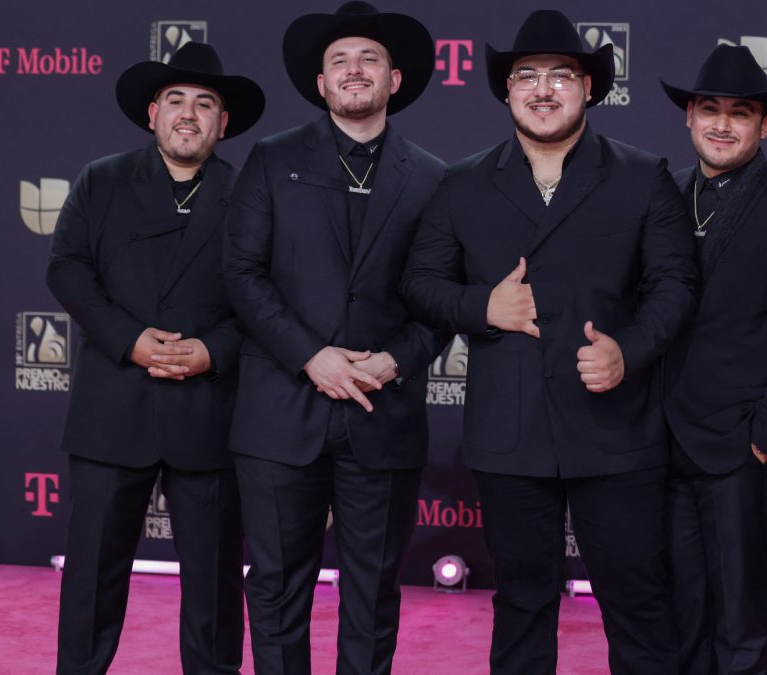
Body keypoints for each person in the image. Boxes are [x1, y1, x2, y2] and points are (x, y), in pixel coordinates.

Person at [401, 9, 697, 674]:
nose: (542, 89)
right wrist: (483, 305)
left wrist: (631, 348)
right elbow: (420, 283)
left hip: (615, 428)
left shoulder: (641, 174)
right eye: (525, 76)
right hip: (510, 432)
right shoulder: (463, 182)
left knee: (638, 604)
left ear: (589, 87)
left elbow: (676, 284)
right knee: (522, 604)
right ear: (506, 91)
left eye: (561, 75)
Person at [221, 2, 446, 672]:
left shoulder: (434, 177)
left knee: (373, 591)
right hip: (280, 414)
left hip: (383, 415)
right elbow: (242, 272)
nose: (354, 70)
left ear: (394, 79)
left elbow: (439, 298)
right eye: (340, 61)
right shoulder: (271, 159)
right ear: (320, 83)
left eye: (369, 59)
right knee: (276, 586)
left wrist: (393, 361)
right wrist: (309, 355)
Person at [46, 41, 264, 674]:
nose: (188, 114)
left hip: (212, 411)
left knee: (216, 583)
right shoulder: (102, 179)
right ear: (152, 114)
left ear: (224, 123)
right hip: (113, 407)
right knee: (90, 576)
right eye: (175, 101)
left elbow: (264, 290)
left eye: (205, 103)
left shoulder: (250, 193)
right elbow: (67, 270)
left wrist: (212, 351)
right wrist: (130, 340)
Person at [658, 44, 767, 675]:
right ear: (689, 117)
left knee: (741, 618)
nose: (722, 124)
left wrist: (763, 441)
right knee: (683, 611)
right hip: (666, 441)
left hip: (739, 451)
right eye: (710, 109)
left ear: (766, 123)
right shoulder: (668, 195)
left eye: (739, 112)